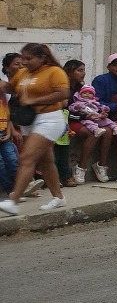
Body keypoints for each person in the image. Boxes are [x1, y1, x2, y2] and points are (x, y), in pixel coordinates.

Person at [0, 43, 71, 215]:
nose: (24, 62)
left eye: (28, 59)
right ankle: (58, 197)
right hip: (29, 120)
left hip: (50, 119)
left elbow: (63, 93)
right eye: (22, 58)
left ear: (42, 58)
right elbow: (11, 88)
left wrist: (34, 100)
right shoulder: (23, 73)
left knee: (26, 158)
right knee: (45, 161)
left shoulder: (54, 72)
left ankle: (14, 201)